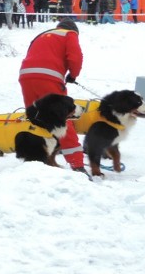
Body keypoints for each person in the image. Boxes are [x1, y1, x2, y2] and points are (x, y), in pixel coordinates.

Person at [18, 18, 88, 177]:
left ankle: (34, 160)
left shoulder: (42, 35)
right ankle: (77, 165)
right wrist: (73, 75)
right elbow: (76, 57)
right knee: (62, 118)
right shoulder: (69, 34)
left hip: (26, 76)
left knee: (35, 118)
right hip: (48, 79)